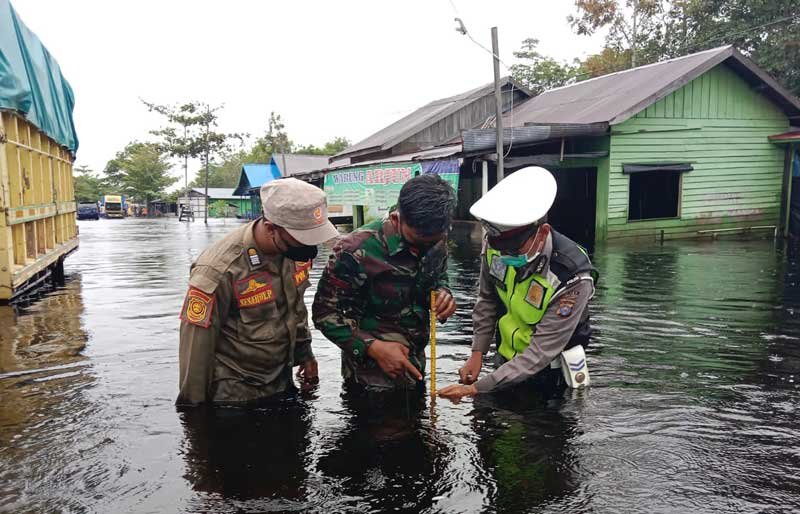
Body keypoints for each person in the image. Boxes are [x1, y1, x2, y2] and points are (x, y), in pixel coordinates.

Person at [438, 166, 598, 401]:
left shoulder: (571, 276)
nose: (505, 256)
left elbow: (539, 352)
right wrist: (477, 353)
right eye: (500, 248)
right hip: (505, 362)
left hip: (550, 374)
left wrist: (476, 389)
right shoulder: (495, 246)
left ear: (542, 233)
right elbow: (487, 301)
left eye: (514, 249)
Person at [177, 177, 339, 406]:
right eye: (303, 239)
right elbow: (195, 350)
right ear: (271, 228)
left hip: (282, 381)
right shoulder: (220, 270)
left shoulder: (294, 252)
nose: (310, 247)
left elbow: (296, 308)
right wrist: (193, 414)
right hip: (235, 397)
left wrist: (305, 354)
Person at [312, 174, 458, 397]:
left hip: (415, 363)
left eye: (435, 239)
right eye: (419, 239)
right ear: (396, 219)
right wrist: (374, 348)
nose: (427, 246)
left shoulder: (436, 237)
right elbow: (324, 314)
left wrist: (443, 292)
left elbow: (438, 275)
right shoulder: (354, 250)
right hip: (369, 376)